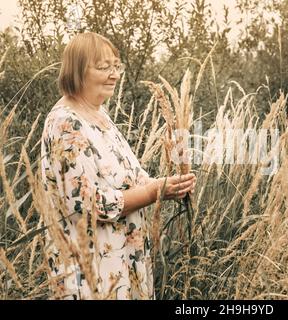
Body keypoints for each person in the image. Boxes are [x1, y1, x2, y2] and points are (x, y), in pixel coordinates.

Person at [40, 32, 196, 300]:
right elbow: (89, 205)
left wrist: (165, 185)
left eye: (116, 66)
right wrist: (152, 193)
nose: (114, 74)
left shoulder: (99, 116)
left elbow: (128, 176)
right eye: (103, 67)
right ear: (76, 70)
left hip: (121, 259)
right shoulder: (66, 124)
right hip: (91, 270)